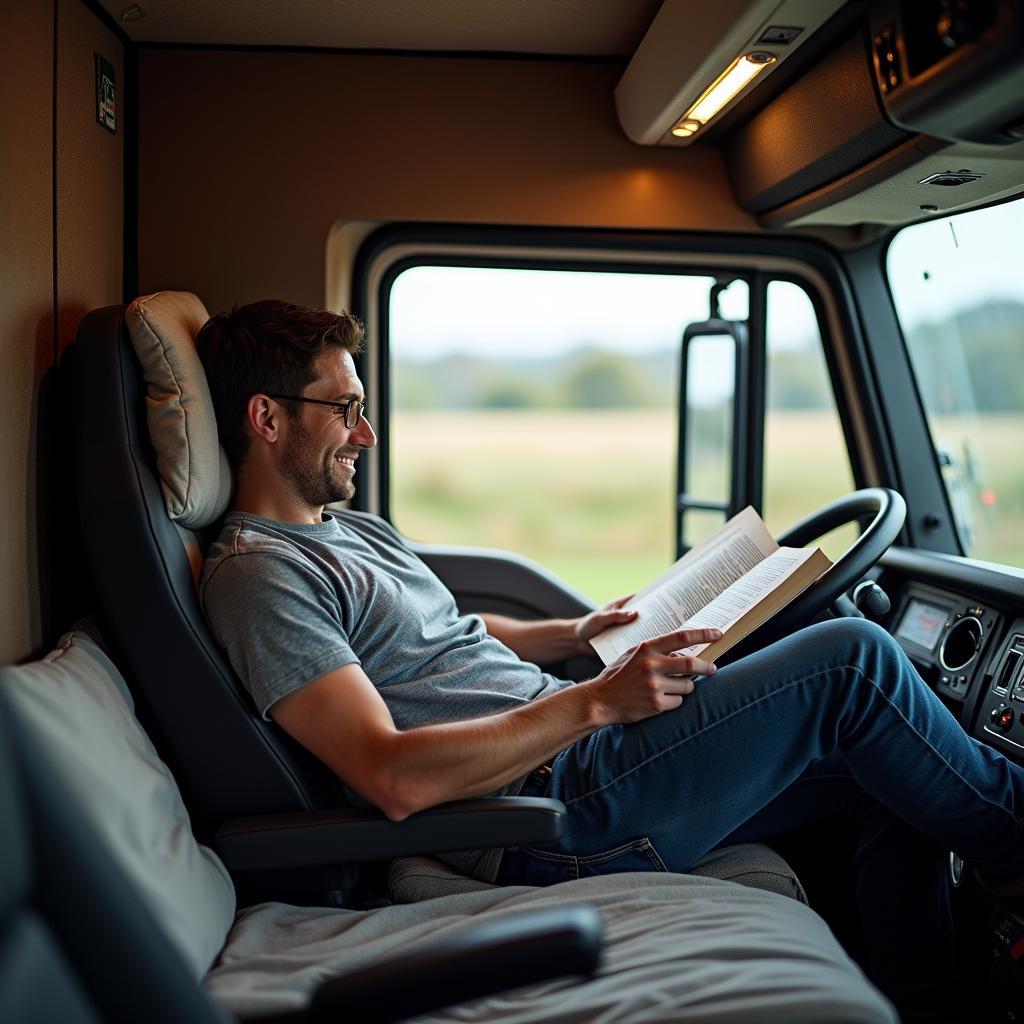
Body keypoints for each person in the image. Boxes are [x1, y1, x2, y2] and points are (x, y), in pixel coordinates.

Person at [198, 299, 1023, 1023]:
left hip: (570, 758)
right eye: (345, 409)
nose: (366, 434)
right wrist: (596, 701)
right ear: (267, 419)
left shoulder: (344, 530)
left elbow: (438, 635)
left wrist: (579, 630)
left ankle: (929, 1008)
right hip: (545, 810)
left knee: (881, 777)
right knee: (852, 659)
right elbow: (390, 775)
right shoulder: (262, 575)